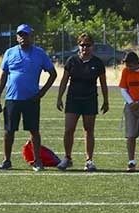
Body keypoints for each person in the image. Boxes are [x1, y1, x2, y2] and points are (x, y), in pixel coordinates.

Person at [0, 24, 57, 171]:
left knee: (34, 130)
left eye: (26, 35)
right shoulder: (9, 53)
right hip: (12, 98)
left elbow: (53, 74)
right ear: (16, 37)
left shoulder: (40, 54)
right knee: (9, 131)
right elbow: (3, 76)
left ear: (31, 36)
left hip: (31, 99)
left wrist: (42, 92)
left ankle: (37, 161)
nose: (23, 37)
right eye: (20, 35)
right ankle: (7, 160)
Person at [55, 33, 109, 172]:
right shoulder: (72, 61)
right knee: (69, 129)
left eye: (88, 45)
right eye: (82, 45)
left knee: (88, 130)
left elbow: (103, 83)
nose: (85, 48)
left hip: (90, 100)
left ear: (93, 46)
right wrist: (59, 97)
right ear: (78, 46)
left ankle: (89, 160)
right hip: (73, 99)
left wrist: (106, 100)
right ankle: (67, 158)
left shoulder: (97, 63)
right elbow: (64, 80)